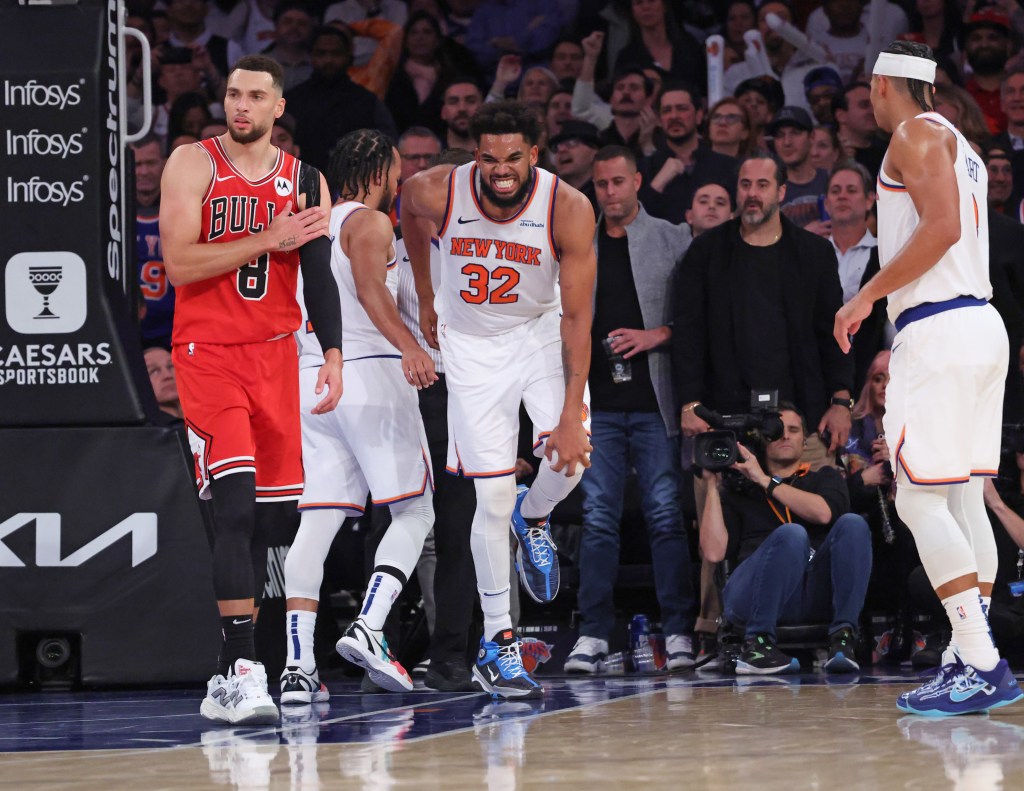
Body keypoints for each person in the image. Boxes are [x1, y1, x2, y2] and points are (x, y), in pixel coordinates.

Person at [834, 41, 1021, 715]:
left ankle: (980, 658)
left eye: (870, 86)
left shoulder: (913, 133)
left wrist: (864, 296)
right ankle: (965, 656)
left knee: (917, 500)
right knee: (965, 500)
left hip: (939, 330)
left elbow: (939, 229)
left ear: (886, 83)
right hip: (979, 323)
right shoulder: (960, 142)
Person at [160, 55, 344, 725]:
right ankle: (242, 666)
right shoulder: (192, 163)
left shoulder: (308, 180)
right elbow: (179, 262)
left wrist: (332, 350)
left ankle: (223, 670)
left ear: (277, 108)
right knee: (235, 504)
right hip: (207, 353)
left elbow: (317, 273)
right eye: (233, 93)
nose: (240, 104)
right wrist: (269, 236)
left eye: (255, 95)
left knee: (274, 520)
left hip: (276, 357)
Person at [401, 100, 596, 698]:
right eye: (490, 157)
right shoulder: (436, 190)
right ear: (475, 155)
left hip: (540, 334)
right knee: (486, 499)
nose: (501, 169)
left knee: (575, 456)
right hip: (470, 348)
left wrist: (567, 415)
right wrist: (427, 293)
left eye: (514, 157)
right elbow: (408, 214)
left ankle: (533, 513)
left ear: (534, 155)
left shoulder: (568, 208)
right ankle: (500, 642)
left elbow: (579, 321)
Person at [281, 128, 438, 702]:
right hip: (367, 370)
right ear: (376, 171)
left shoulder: (309, 222)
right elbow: (373, 293)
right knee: (415, 512)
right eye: (395, 172)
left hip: (312, 375)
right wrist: (411, 347)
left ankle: (297, 669)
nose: (399, 182)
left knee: (317, 522)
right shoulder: (368, 223)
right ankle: (370, 628)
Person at [563, 146, 697, 674]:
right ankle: (593, 634)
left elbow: (695, 318)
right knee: (597, 520)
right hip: (598, 406)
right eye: (602, 184)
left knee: (666, 516)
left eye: (619, 182)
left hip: (654, 402)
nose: (611, 192)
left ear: (638, 181)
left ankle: (680, 631)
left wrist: (654, 336)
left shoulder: (672, 238)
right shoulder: (577, 242)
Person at [673, 152, 854, 468]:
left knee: (816, 512)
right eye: (745, 185)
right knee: (722, 515)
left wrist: (841, 402)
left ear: (782, 192)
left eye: (762, 185)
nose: (752, 194)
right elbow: (689, 332)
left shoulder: (814, 253)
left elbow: (833, 332)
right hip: (723, 421)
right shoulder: (705, 253)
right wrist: (690, 403)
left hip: (804, 421)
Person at [700, 404, 872, 674]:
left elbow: (823, 513)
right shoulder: (739, 490)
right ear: (762, 440)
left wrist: (765, 480)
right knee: (792, 535)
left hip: (809, 593)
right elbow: (713, 553)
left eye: (793, 430)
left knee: (853, 523)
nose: (785, 436)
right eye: (776, 430)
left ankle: (843, 639)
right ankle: (757, 646)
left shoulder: (825, 478)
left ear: (804, 441)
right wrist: (712, 484)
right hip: (753, 595)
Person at [284, 26, 398, 173]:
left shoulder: (367, 102)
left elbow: (389, 146)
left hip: (356, 186)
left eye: (336, 53)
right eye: (321, 53)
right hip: (299, 184)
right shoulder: (292, 101)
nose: (328, 60)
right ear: (310, 56)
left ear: (349, 57)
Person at [824, 162, 890, 394]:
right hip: (819, 370)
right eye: (835, 191)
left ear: (870, 200)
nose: (842, 196)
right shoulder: (810, 254)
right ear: (826, 202)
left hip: (869, 375)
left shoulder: (887, 257)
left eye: (851, 190)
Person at [639, 83, 737, 225]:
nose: (674, 116)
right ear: (659, 121)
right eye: (667, 110)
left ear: (699, 116)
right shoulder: (644, 168)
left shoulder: (728, 167)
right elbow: (634, 223)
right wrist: (657, 184)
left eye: (681, 109)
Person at [132, 135, 174, 349]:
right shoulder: (111, 215)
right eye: (137, 164)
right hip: (128, 329)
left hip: (173, 331)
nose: (144, 172)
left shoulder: (182, 210)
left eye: (150, 163)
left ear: (165, 163)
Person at [771, 106, 830, 234]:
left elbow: (868, 220)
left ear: (812, 136)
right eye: (780, 135)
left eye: (795, 133)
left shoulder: (832, 182)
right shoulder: (767, 190)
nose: (787, 142)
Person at [439, 78, 483, 152]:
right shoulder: (431, 153)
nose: (462, 108)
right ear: (443, 112)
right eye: (453, 102)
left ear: (483, 108)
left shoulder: (500, 151)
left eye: (471, 101)